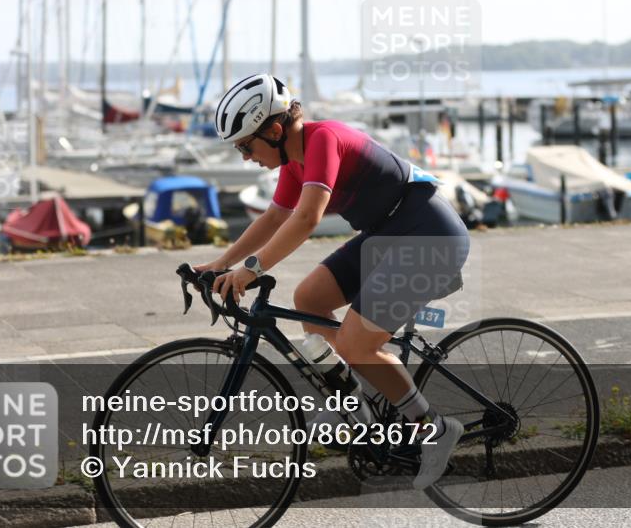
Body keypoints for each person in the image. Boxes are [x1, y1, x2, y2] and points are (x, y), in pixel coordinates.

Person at [194, 73, 469, 489]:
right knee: (310, 297)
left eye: (246, 146)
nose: (246, 157)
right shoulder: (294, 159)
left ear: (274, 131)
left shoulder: (323, 140)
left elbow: (307, 218)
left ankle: (435, 428)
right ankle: (353, 403)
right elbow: (274, 217)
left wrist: (251, 269)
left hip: (428, 236)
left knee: (358, 345)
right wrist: (219, 263)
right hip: (387, 233)